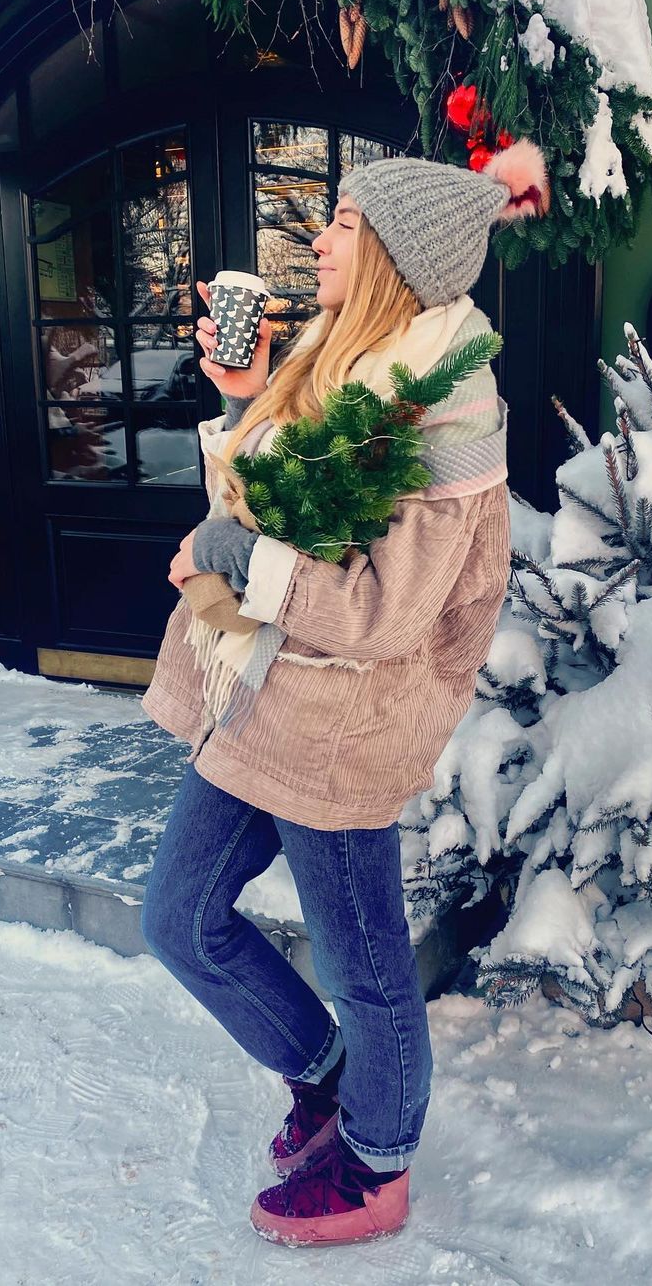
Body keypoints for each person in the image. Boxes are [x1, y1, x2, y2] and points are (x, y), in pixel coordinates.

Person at [139, 141, 549, 1246]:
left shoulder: (442, 413)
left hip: (343, 725)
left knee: (367, 966)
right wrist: (240, 401)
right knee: (179, 918)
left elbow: (383, 616)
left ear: (397, 261)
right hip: (263, 693)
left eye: (347, 226)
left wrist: (237, 557)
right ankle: (328, 1080)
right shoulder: (336, 355)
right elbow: (260, 503)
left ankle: (379, 1160)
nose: (320, 239)